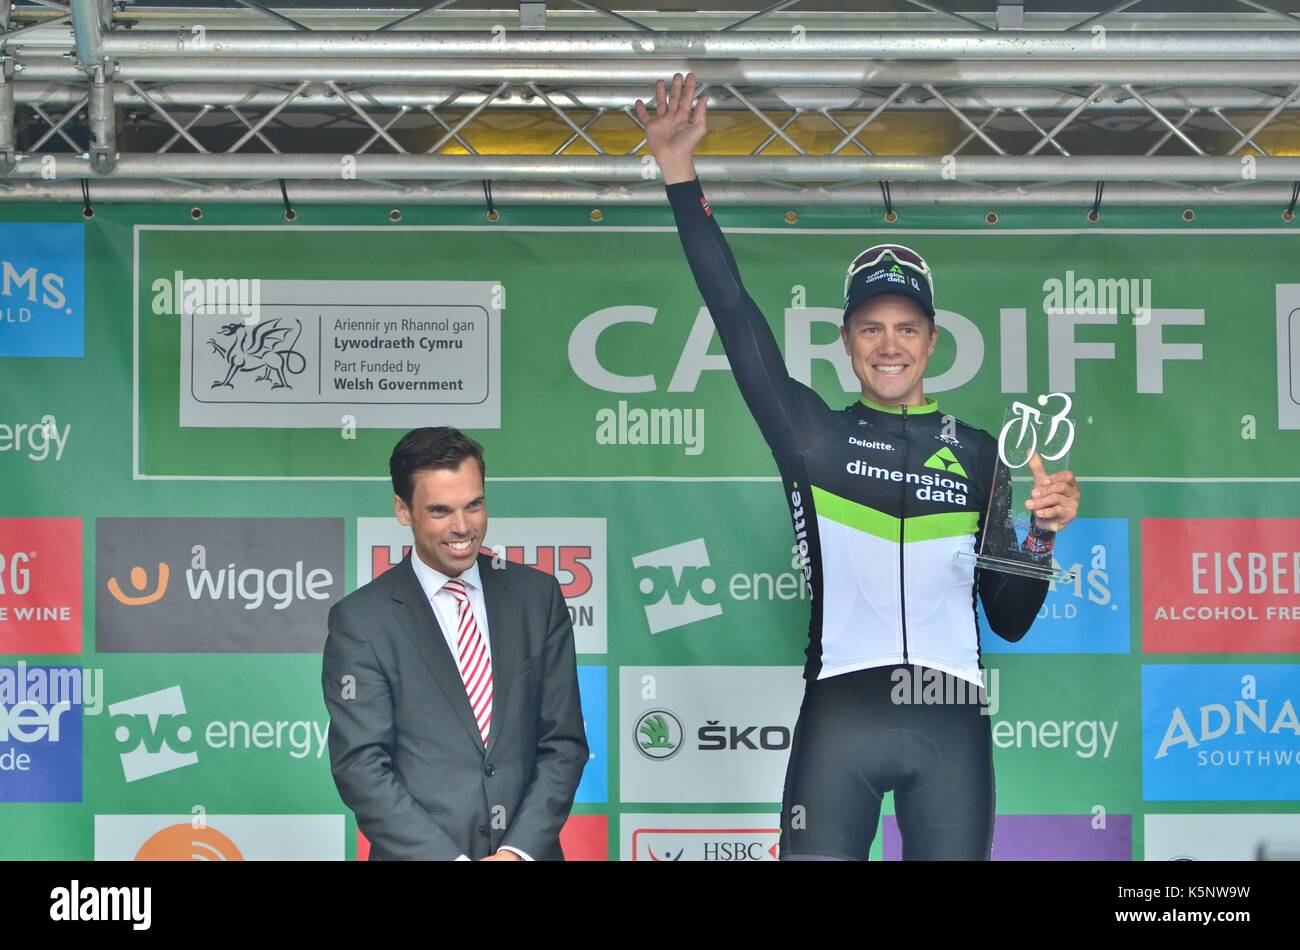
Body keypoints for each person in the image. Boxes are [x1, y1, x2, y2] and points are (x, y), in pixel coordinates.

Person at [636, 73, 1081, 860]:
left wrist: (1042, 538)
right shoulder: (810, 434)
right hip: (841, 716)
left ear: (932, 342)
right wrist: (680, 174)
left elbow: (1008, 618)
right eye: (870, 328)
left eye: (906, 328)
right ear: (845, 341)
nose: (888, 345)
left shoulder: (981, 453)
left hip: (952, 718)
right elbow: (733, 311)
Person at [322, 427, 588, 860]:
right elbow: (361, 767)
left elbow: (564, 743)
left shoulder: (537, 598)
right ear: (403, 510)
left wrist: (516, 852)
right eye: (441, 510)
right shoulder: (361, 621)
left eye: (474, 505)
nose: (462, 527)